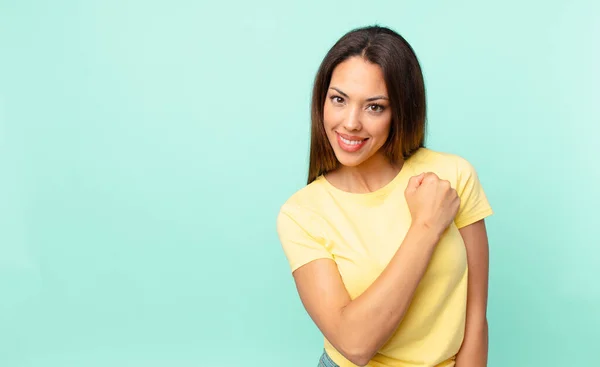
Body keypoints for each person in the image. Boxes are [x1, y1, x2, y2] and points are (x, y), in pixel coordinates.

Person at [276, 25, 493, 367]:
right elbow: (355, 344)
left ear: (400, 111)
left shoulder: (452, 177)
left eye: (374, 107)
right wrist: (425, 226)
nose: (350, 123)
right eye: (339, 99)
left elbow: (476, 315)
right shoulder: (302, 213)